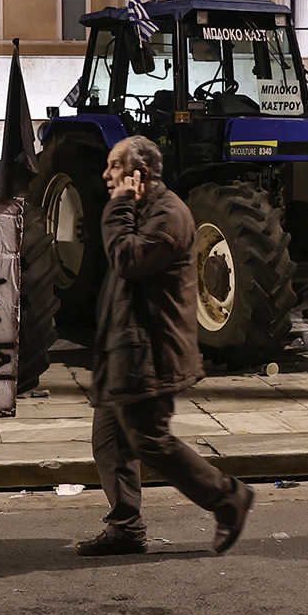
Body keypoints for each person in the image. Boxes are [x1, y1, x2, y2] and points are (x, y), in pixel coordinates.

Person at [76, 136, 254, 557]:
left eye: (114, 167)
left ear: (139, 174)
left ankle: (227, 497)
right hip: (125, 352)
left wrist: (118, 207)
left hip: (150, 354)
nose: (106, 175)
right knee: (110, 441)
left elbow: (127, 259)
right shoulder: (144, 210)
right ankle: (125, 527)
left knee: (149, 441)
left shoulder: (169, 215)